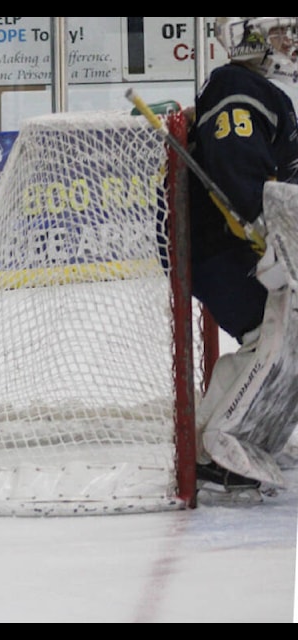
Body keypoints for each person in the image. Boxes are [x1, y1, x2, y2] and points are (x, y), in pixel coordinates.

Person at [188, 17, 298, 492]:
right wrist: (270, 234)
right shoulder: (238, 86)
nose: (289, 42)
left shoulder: (267, 94)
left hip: (238, 247)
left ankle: (228, 440)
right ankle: (220, 450)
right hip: (222, 249)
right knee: (269, 336)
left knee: (275, 340)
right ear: (248, 34)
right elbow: (238, 170)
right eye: (279, 32)